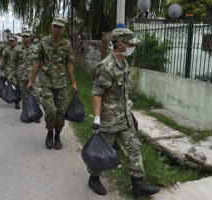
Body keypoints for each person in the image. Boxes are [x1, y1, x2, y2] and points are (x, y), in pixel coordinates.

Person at [89, 28, 159, 198]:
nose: (133, 46)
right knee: (102, 153)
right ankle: (93, 179)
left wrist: (126, 102)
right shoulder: (106, 67)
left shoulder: (124, 63)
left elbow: (119, 90)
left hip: (124, 117)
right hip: (108, 120)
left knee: (134, 148)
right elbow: (97, 93)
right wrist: (97, 119)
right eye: (130, 43)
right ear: (119, 44)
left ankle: (138, 185)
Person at [27, 18, 77, 150]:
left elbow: (69, 63)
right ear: (51, 26)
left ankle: (58, 135)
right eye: (55, 26)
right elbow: (37, 61)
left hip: (61, 83)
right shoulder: (43, 42)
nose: (57, 28)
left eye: (59, 27)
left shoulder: (66, 44)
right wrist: (31, 80)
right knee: (50, 111)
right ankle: (49, 133)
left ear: (63, 29)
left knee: (60, 112)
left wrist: (73, 83)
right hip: (46, 82)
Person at [11, 30, 41, 112]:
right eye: (23, 36)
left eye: (27, 36)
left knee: (36, 94)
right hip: (22, 76)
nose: (25, 38)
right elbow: (13, 63)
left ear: (30, 37)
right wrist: (11, 75)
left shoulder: (36, 48)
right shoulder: (17, 49)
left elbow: (39, 62)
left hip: (33, 76)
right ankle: (26, 113)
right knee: (24, 96)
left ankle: (36, 113)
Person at [0, 35, 20, 109]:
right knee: (12, 86)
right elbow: (3, 61)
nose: (10, 42)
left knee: (18, 86)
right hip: (8, 71)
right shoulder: (6, 50)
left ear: (16, 41)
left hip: (18, 71)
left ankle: (17, 99)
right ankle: (16, 102)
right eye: (9, 41)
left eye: (12, 41)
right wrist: (1, 70)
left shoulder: (19, 49)